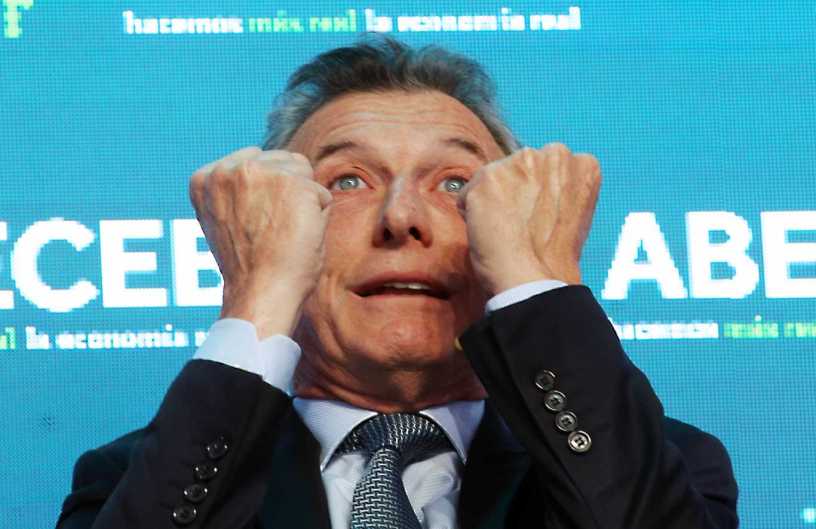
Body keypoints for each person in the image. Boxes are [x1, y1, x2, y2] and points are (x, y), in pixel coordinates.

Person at [56, 36, 738, 529]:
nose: (401, 218)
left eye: (456, 184)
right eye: (348, 180)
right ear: (280, 226)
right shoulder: (135, 480)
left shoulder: (670, 462)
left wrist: (538, 281)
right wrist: (258, 296)